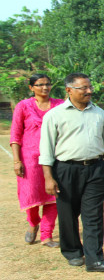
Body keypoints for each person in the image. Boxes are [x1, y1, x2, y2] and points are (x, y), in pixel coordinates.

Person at [39, 73, 104, 272]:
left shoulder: (99, 113)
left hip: (95, 169)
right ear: (69, 90)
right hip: (66, 170)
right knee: (68, 214)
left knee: (93, 215)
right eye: (83, 88)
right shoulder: (54, 115)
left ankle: (95, 259)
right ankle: (73, 252)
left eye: (89, 87)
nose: (89, 91)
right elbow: (47, 149)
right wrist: (48, 177)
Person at [10, 74, 63, 247]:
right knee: (32, 196)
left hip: (56, 158)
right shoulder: (23, 106)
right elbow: (16, 135)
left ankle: (46, 235)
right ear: (31, 87)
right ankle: (33, 224)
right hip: (30, 159)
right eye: (40, 85)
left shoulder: (60, 105)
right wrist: (17, 161)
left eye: (48, 84)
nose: (45, 88)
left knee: (54, 195)